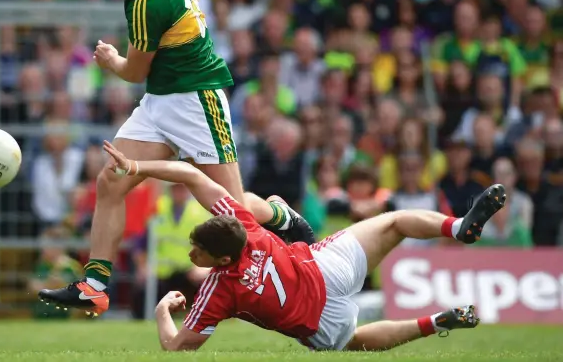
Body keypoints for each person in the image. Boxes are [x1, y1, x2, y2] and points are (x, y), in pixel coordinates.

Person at [39, 0, 316, 316]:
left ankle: (278, 213)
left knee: (231, 210)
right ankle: (94, 284)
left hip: (197, 101)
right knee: (111, 180)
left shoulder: (149, 1)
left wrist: (111, 59)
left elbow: (134, 71)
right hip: (159, 102)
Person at [97, 142, 503, 351]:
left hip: (317, 321)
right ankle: (457, 226)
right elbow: (189, 174)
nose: (190, 256)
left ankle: (434, 323)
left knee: (355, 343)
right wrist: (136, 167)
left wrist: (162, 312)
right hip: (327, 267)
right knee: (396, 222)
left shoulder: (218, 289)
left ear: (221, 260)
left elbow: (174, 346)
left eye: (197, 253)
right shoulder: (242, 226)